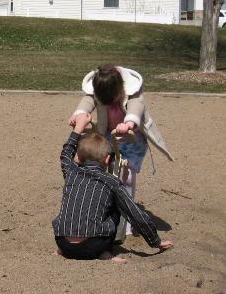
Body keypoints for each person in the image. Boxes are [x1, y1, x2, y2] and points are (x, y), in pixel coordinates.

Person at [52, 113, 173, 263]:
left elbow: (65, 154)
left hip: (63, 243)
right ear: (107, 159)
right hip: (94, 246)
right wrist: (155, 241)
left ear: (78, 158)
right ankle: (106, 252)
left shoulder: (71, 172)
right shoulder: (112, 182)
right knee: (117, 206)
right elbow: (134, 213)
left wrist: (79, 127)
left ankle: (62, 250)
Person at [68, 64, 173, 235]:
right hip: (109, 134)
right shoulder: (100, 87)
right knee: (104, 170)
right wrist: (80, 113)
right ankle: (105, 208)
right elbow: (88, 100)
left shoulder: (131, 88)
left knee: (128, 176)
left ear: (121, 88)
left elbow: (136, 105)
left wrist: (129, 122)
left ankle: (129, 219)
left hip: (131, 137)